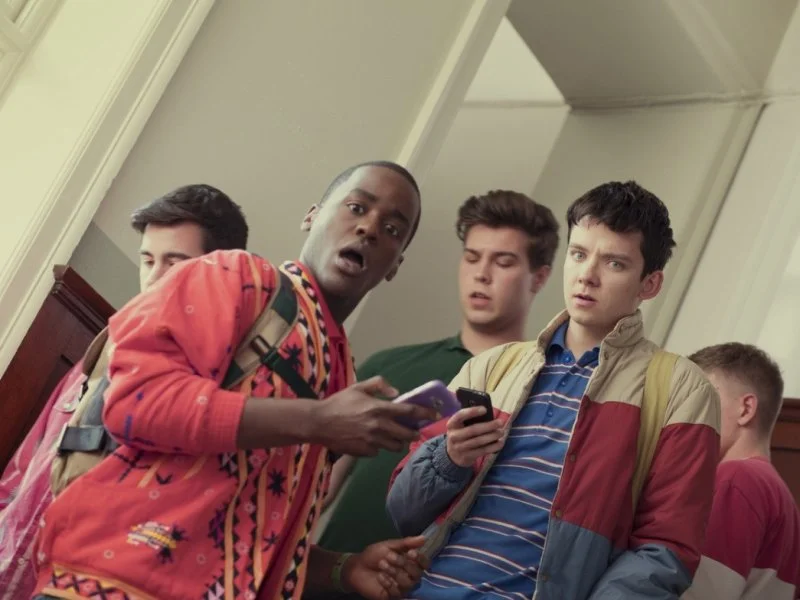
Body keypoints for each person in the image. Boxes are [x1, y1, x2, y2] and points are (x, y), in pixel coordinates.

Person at [31, 161, 436, 600]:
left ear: (395, 264)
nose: (369, 229)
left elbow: (252, 532)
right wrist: (316, 419)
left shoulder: (341, 373)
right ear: (312, 215)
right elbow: (135, 403)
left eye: (392, 229)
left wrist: (344, 569)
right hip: (109, 583)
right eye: (356, 207)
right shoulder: (235, 277)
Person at [387, 180, 721, 599]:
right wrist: (450, 458)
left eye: (614, 263)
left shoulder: (681, 390)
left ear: (649, 284)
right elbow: (402, 511)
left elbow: (665, 549)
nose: (587, 276)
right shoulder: (491, 366)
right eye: (578, 254)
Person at [0, 183, 248, 600]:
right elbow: (27, 463)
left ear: (220, 275)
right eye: (148, 260)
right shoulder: (105, 347)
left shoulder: (217, 389)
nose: (154, 278)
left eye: (175, 263)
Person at [318, 190, 559, 564]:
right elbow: (316, 491)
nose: (481, 273)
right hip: (333, 577)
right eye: (472, 257)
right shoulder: (388, 367)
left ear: (539, 277)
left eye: (503, 262)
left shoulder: (544, 393)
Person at [683, 343, 800, 600]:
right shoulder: (783, 500)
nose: (685, 415)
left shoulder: (737, 480)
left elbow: (697, 594)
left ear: (746, 409)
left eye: (698, 399)